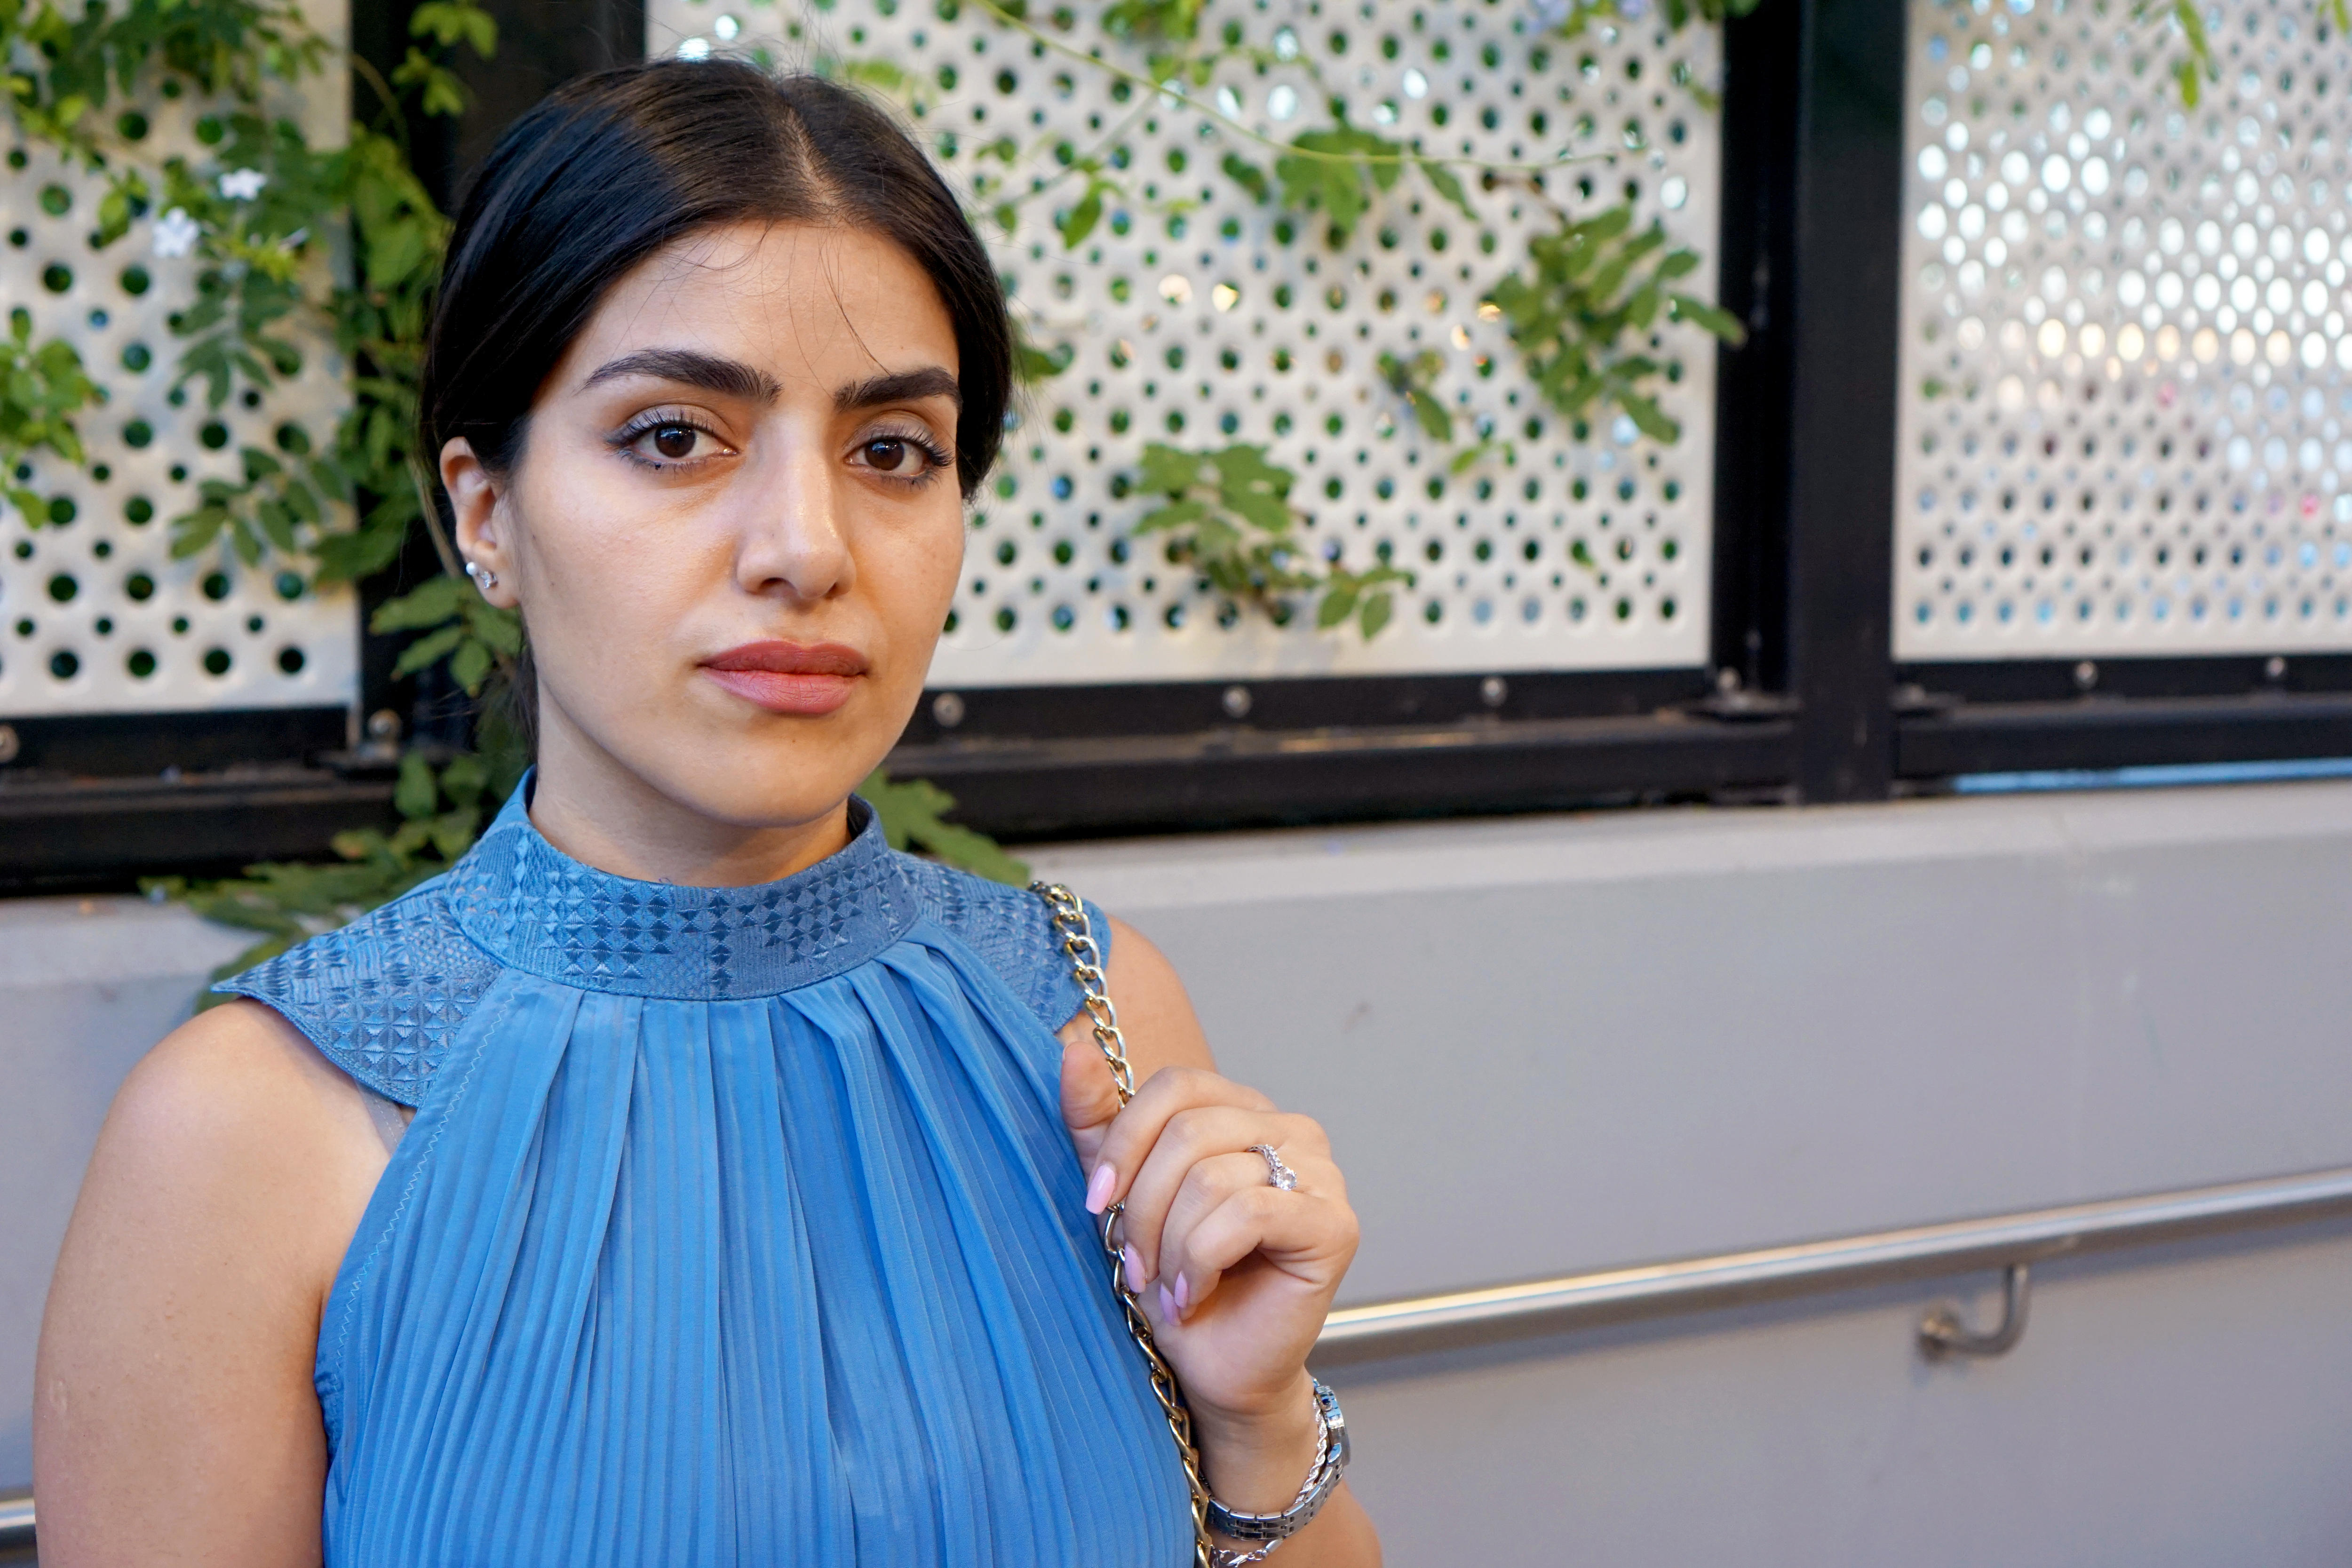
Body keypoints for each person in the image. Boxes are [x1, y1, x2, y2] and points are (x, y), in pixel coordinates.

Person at [32, 60, 1377, 1567]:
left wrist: (1254, 1415)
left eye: (892, 452)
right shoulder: (250, 1131)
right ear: (487, 511)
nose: (806, 549)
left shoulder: (1093, 1014)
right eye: (674, 435)